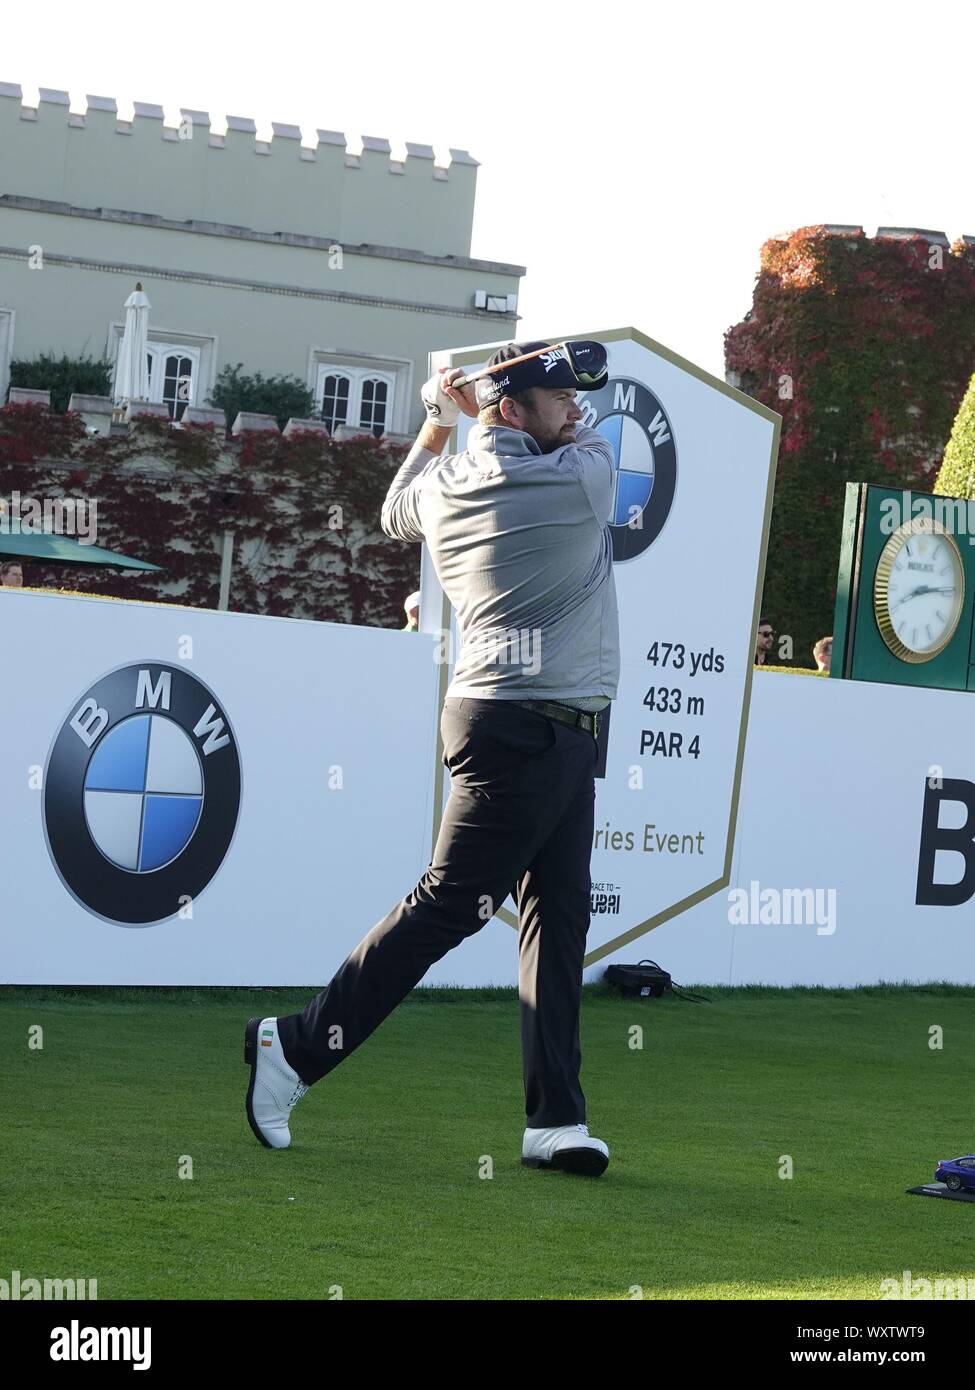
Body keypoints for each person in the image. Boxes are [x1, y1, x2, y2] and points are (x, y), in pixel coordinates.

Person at [244, 340, 618, 1176]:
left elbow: (393, 508)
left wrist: (436, 420)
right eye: (558, 399)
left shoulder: (452, 482)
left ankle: (556, 1120)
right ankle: (295, 1046)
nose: (573, 410)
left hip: (531, 723)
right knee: (449, 906)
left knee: (557, 920)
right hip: (529, 728)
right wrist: (465, 414)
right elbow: (592, 445)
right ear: (514, 410)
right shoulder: (574, 478)